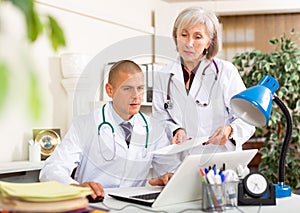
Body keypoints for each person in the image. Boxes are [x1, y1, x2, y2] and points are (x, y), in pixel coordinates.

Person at [40, 60, 180, 201]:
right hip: (96, 203)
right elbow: (51, 169)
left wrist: (169, 177)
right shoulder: (84, 125)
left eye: (140, 88)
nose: (136, 95)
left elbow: (171, 168)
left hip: (135, 206)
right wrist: (74, 187)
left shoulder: (154, 128)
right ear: (109, 90)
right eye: (127, 88)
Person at [152, 7, 255, 155]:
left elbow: (247, 118)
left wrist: (230, 130)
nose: (189, 43)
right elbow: (160, 118)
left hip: (220, 162)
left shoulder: (225, 72)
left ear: (209, 42)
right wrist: (176, 130)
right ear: (176, 36)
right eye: (184, 35)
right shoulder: (163, 76)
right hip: (182, 162)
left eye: (198, 37)